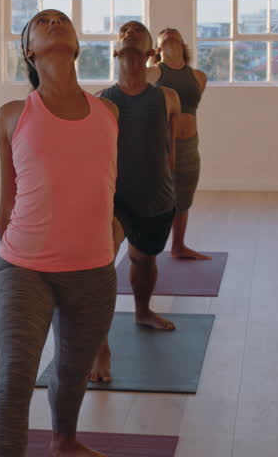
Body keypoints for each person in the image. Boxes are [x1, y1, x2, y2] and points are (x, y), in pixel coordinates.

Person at [0, 9, 119, 457]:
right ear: (28, 49)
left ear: (78, 45)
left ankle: (63, 441)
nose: (54, 22)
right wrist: (5, 263)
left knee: (72, 370)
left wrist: (109, 237)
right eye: (42, 21)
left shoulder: (109, 112)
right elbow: (8, 198)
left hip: (94, 269)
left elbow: (108, 185)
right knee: (16, 376)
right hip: (24, 267)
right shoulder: (11, 115)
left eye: (62, 20)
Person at [89, 21, 181, 383]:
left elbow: (172, 151)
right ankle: (100, 346)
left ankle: (142, 311)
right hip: (115, 199)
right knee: (101, 266)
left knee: (144, 260)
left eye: (136, 30)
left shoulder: (167, 98)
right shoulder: (102, 101)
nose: (128, 32)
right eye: (123, 31)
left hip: (156, 197)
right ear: (115, 50)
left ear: (150, 53)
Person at [148, 27, 209, 260]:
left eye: (175, 33)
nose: (171, 33)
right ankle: (149, 249)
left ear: (183, 44)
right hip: (161, 145)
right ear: (158, 48)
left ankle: (178, 246)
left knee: (184, 198)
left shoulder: (198, 77)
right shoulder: (152, 73)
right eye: (165, 34)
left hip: (190, 145)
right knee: (159, 197)